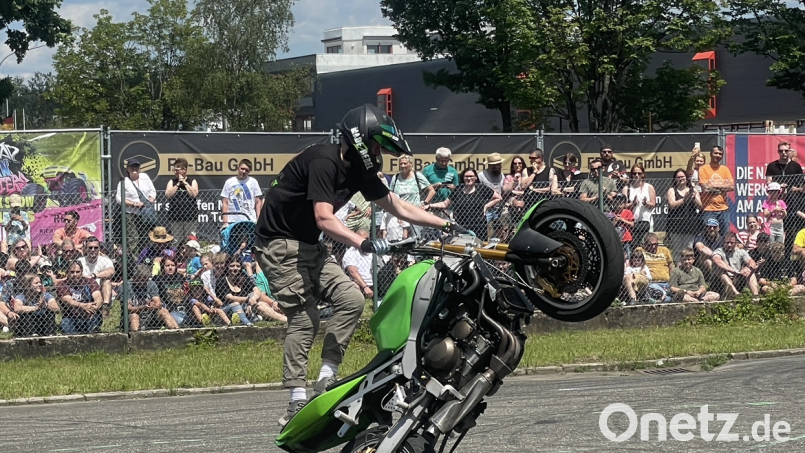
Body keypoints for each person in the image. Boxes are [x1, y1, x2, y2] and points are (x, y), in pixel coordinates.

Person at [252, 104, 467, 426]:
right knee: (304, 318)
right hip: (279, 245)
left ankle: (326, 377)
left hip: (310, 245)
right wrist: (362, 241)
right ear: (360, 141)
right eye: (378, 145)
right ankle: (296, 400)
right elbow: (323, 217)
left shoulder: (359, 170)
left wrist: (445, 225)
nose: (380, 153)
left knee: (351, 300)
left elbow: (395, 204)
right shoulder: (324, 161)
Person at [426, 167, 501, 241]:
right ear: (463, 177)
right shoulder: (458, 190)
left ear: (475, 178)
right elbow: (445, 204)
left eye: (471, 176)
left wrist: (486, 206)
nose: (469, 178)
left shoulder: (482, 188)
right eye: (466, 176)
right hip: (462, 226)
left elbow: (498, 198)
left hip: (479, 226)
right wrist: (429, 205)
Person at [115, 158, 157, 253]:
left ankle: (145, 259)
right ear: (127, 169)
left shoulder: (144, 177)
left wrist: (150, 200)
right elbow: (119, 198)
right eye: (132, 167)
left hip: (145, 213)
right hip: (131, 214)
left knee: (146, 236)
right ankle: (136, 263)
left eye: (136, 166)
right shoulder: (123, 182)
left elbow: (152, 191)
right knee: (133, 238)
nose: (134, 169)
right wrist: (134, 203)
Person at [125, 264, 179, 331]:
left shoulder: (151, 284)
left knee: (164, 311)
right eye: (141, 279)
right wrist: (143, 307)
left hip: (151, 314)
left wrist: (153, 306)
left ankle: (177, 331)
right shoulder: (126, 286)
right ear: (135, 277)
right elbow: (128, 308)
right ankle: (136, 338)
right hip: (134, 314)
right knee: (134, 316)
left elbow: (158, 303)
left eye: (145, 279)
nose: (144, 281)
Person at [57, 261, 104, 334]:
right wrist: (83, 306)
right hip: (71, 317)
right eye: (72, 272)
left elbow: (98, 297)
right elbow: (69, 301)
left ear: (81, 272)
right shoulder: (62, 285)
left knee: (94, 325)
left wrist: (94, 308)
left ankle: (94, 334)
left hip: (90, 315)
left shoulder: (90, 281)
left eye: (77, 272)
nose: (75, 275)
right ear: (67, 273)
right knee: (66, 324)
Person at [665, 168, 702, 262]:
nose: (681, 178)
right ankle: (679, 272)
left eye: (683, 176)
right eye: (678, 177)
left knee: (689, 249)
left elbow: (700, 206)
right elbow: (672, 205)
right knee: (677, 250)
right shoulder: (672, 190)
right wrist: (684, 199)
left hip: (690, 225)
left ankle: (688, 271)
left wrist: (694, 199)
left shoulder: (693, 190)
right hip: (675, 225)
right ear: (675, 179)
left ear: (686, 178)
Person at [698, 145, 735, 233]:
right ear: (710, 154)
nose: (718, 155)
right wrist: (723, 187)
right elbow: (705, 188)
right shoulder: (703, 169)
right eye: (716, 153)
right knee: (709, 234)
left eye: (720, 154)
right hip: (708, 209)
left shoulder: (724, 169)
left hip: (723, 209)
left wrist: (713, 185)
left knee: (725, 235)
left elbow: (732, 186)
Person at [712, 232, 759, 297]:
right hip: (721, 282)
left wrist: (748, 269)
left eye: (731, 243)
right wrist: (733, 271)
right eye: (727, 242)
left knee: (750, 272)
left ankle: (756, 295)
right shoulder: (719, 251)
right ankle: (737, 294)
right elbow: (718, 261)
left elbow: (751, 261)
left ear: (736, 243)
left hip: (737, 278)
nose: (729, 245)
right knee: (722, 273)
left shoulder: (740, 251)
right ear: (723, 242)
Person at [164, 158, 199, 242]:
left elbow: (194, 194)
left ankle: (191, 255)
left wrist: (184, 182)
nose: (175, 172)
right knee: (176, 240)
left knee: (190, 240)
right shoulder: (172, 181)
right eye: (174, 170)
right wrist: (178, 184)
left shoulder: (192, 181)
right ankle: (176, 255)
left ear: (184, 170)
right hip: (175, 217)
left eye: (177, 170)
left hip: (190, 216)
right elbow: (168, 195)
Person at [221, 159, 263, 227]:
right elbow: (225, 203)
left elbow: (258, 202)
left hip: (250, 219)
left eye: (247, 170)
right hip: (233, 220)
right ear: (238, 168)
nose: (244, 171)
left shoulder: (253, 182)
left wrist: (259, 219)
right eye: (242, 169)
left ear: (249, 171)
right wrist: (225, 222)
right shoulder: (229, 182)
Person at [213, 255, 254, 326]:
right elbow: (230, 298)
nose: (235, 268)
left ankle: (278, 319)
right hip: (226, 309)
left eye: (238, 266)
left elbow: (256, 289)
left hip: (243, 306)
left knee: (260, 302)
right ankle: (248, 323)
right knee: (236, 304)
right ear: (227, 267)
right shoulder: (221, 281)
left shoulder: (243, 278)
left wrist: (252, 300)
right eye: (232, 266)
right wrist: (248, 299)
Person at [77, 236, 114, 314]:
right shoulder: (80, 261)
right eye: (90, 248)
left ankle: (105, 306)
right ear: (85, 248)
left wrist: (94, 276)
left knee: (107, 281)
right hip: (84, 289)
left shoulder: (105, 260)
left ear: (99, 248)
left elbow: (111, 271)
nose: (93, 250)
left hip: (100, 289)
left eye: (95, 248)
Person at [635, 233, 675, 303]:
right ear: (645, 244)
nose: (653, 247)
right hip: (650, 283)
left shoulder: (665, 250)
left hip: (665, 283)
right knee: (653, 287)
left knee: (674, 289)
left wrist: (672, 282)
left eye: (656, 244)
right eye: (650, 245)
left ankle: (666, 297)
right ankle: (669, 297)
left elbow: (671, 266)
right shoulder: (640, 250)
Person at [623, 163, 656, 248]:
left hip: (646, 221)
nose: (637, 175)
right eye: (634, 173)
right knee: (633, 247)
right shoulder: (627, 188)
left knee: (647, 245)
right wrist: (632, 204)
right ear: (631, 175)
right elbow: (622, 206)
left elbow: (653, 204)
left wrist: (646, 203)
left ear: (643, 174)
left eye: (639, 173)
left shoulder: (649, 187)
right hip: (631, 222)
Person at [342, 229, 375, 299]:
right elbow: (353, 272)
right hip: (360, 285)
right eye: (364, 239)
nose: (367, 241)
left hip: (375, 283)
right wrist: (365, 287)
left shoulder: (373, 251)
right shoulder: (351, 252)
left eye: (368, 238)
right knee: (354, 285)